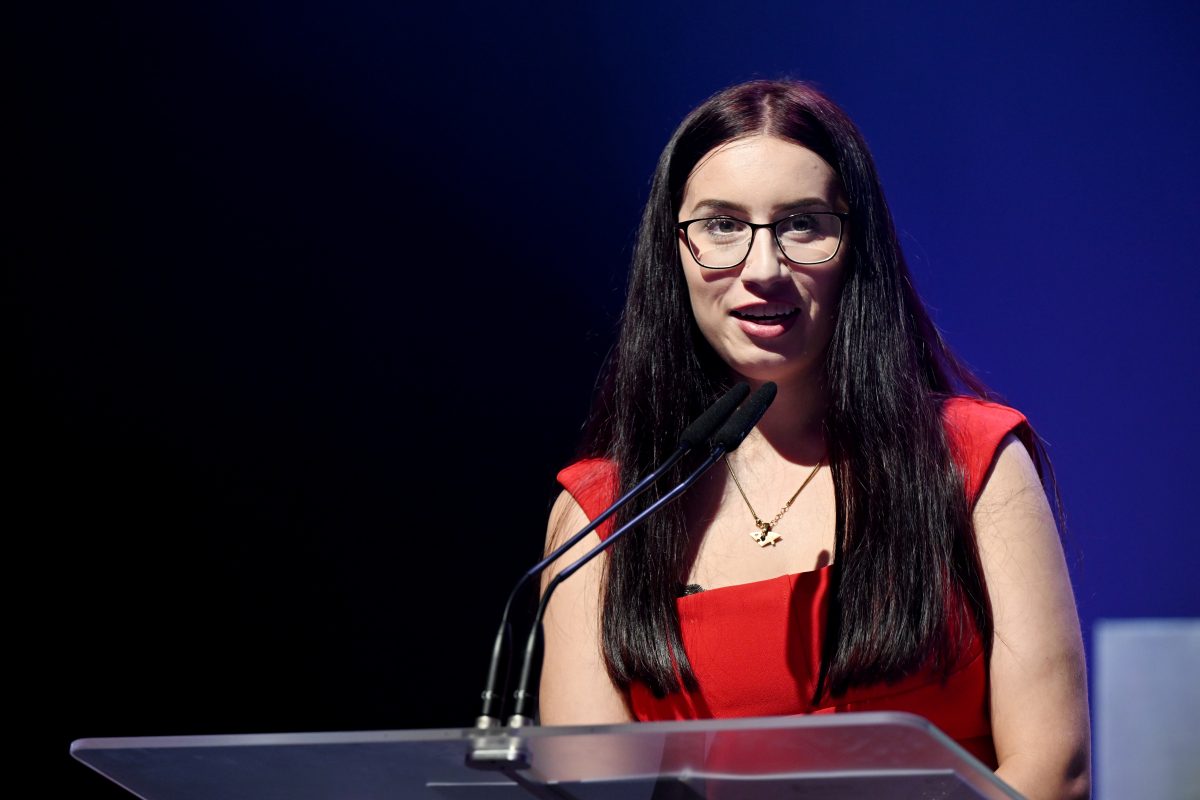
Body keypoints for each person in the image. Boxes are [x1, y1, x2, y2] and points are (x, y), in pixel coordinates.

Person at [537, 79, 1090, 799]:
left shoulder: (970, 459)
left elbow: (1055, 773)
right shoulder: (603, 511)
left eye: (802, 225)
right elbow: (587, 793)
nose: (762, 269)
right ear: (672, 248)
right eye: (721, 225)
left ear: (854, 246)